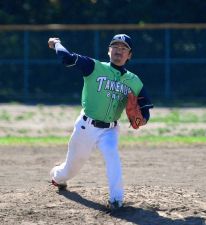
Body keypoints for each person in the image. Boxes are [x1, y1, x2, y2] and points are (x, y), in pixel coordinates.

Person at [48, 34, 153, 210]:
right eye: (115, 47)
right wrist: (57, 43)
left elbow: (145, 109)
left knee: (113, 156)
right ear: (108, 50)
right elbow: (67, 58)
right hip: (86, 126)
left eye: (123, 48)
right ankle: (57, 176)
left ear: (130, 55)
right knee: (70, 169)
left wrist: (142, 120)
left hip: (110, 130)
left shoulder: (134, 81)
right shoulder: (94, 66)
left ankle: (116, 200)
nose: (119, 51)